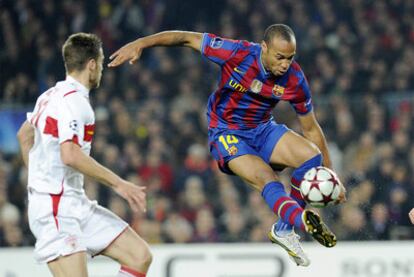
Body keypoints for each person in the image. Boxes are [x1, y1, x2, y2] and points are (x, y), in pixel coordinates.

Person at [108, 24, 346, 266]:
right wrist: (140, 43)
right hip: (226, 132)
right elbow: (186, 38)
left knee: (310, 156)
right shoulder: (237, 53)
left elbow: (311, 128)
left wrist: (330, 174)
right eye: (280, 57)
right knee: (267, 179)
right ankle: (300, 220)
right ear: (264, 48)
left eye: (290, 57)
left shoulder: (294, 79)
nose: (285, 64)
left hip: (262, 129)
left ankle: (284, 230)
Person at [17, 33, 152, 277]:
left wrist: (37, 179)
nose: (100, 69)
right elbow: (70, 155)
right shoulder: (75, 104)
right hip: (55, 209)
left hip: (75, 203)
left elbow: (24, 136)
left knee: (139, 256)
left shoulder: (49, 96)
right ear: (92, 64)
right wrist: (119, 184)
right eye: (100, 63)